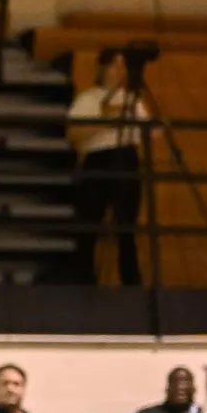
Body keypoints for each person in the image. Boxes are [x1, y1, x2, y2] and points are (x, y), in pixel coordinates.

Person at [63, 48, 147, 285]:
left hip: (127, 160)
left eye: (123, 65)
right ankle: (84, 282)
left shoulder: (132, 100)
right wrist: (107, 121)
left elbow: (149, 132)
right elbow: (73, 133)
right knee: (89, 227)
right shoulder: (88, 99)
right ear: (102, 68)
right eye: (114, 64)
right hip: (99, 161)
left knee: (126, 230)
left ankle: (131, 283)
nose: (119, 70)